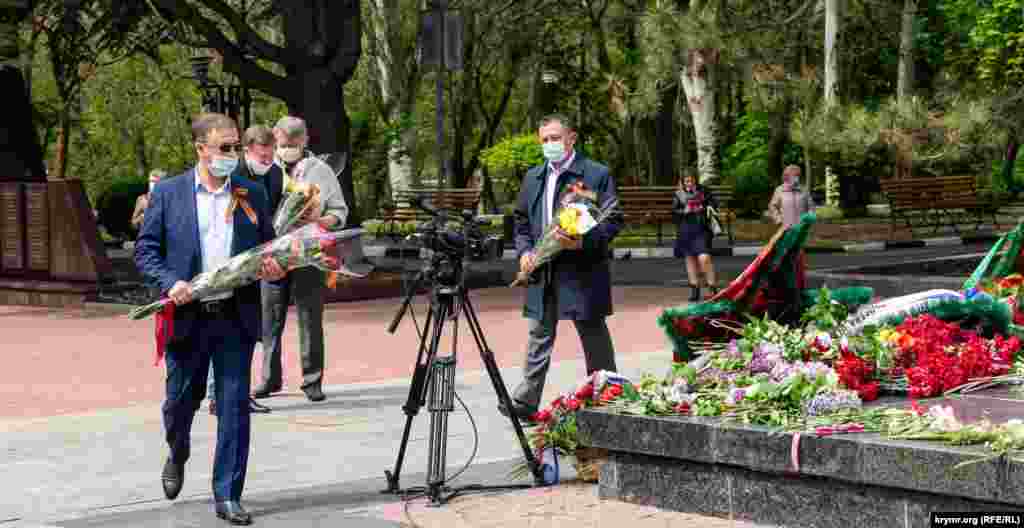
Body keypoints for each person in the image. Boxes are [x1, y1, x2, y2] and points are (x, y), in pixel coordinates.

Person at [135, 112, 285, 526]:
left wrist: (274, 266)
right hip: (187, 317)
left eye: (236, 146)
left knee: (235, 406)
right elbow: (145, 252)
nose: (232, 155)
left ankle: (228, 494)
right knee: (180, 402)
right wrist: (170, 283)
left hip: (235, 317)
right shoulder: (168, 194)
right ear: (201, 149)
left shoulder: (251, 193)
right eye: (225, 147)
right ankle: (177, 450)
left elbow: (268, 248)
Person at [502, 113, 622, 421]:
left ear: (571, 138)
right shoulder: (534, 177)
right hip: (543, 271)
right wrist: (525, 251)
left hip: (581, 270)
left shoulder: (595, 174)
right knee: (539, 333)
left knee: (592, 331)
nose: (549, 144)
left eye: (555, 138)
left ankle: (607, 395)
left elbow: (612, 220)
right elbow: (521, 221)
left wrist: (584, 242)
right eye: (544, 140)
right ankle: (526, 401)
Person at [252, 116, 348, 403]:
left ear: (305, 141)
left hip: (309, 254)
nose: (288, 149)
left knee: (310, 317)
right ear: (274, 140)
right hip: (273, 255)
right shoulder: (264, 168)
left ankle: (312, 380)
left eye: (294, 144)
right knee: (269, 318)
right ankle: (269, 379)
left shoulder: (321, 170)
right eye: (283, 144)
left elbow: (340, 212)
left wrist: (321, 219)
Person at [206, 125, 281, 416]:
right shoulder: (232, 177)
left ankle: (235, 393)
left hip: (254, 264)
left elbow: (265, 220)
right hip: (223, 264)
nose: (268, 161)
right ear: (247, 152)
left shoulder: (273, 176)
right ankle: (218, 394)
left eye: (270, 156)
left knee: (244, 330)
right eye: (262, 157)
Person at [672, 173, 719, 302]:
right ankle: (695, 289)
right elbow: (674, 212)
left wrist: (708, 206)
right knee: (690, 259)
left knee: (704, 258)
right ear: (682, 182)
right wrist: (684, 211)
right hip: (686, 229)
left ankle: (712, 287)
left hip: (701, 228)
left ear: (695, 180)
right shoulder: (678, 194)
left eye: (691, 180)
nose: (689, 183)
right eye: (686, 181)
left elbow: (714, 203)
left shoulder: (703, 190)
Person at [768, 164, 815, 229]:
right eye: (794, 175)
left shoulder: (804, 190)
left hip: (801, 227)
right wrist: (778, 219)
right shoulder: (780, 190)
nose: (796, 178)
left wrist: (809, 219)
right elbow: (772, 206)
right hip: (785, 227)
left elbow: (811, 207)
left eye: (797, 175)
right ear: (787, 176)